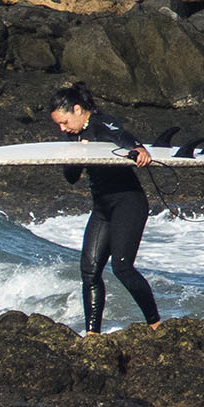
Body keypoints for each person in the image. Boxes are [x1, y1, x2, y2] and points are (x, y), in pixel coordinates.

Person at [49, 82, 162, 335]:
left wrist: (138, 148)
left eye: (65, 122)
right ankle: (92, 334)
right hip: (102, 208)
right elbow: (70, 177)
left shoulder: (102, 123)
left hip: (128, 202)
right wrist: (77, 154)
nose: (62, 128)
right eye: (59, 124)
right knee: (89, 272)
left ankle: (155, 323)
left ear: (78, 110)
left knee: (122, 268)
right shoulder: (73, 137)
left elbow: (121, 135)